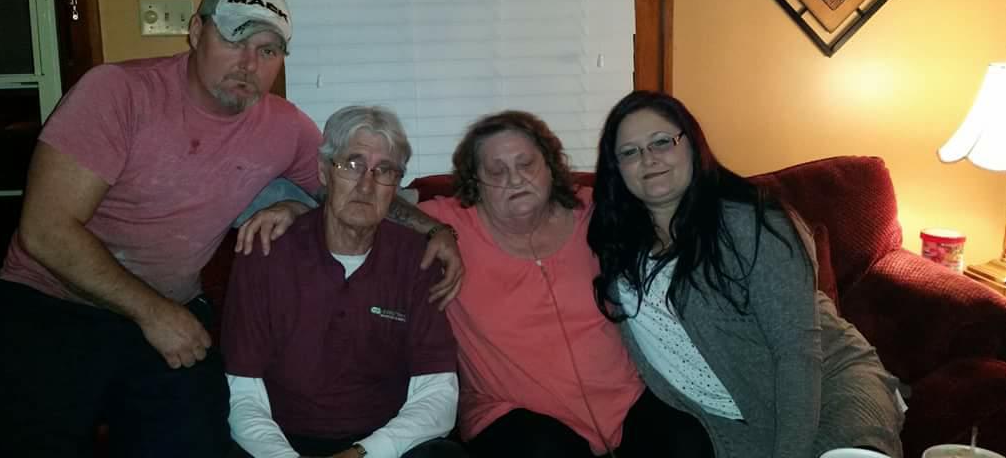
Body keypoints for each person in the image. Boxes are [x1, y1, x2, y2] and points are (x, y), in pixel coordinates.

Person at [0, 0, 462, 458]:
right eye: (234, 40)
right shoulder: (117, 92)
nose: (248, 64)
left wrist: (435, 229)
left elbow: (352, 188)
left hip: (171, 314)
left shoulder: (284, 126)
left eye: (268, 51)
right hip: (53, 305)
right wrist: (152, 313)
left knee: (199, 441)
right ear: (197, 31)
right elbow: (45, 231)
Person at [588, 91, 906, 458]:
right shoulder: (617, 244)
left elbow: (797, 353)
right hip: (732, 417)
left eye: (662, 142)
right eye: (630, 152)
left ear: (692, 144)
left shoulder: (750, 224)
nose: (648, 158)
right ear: (616, 169)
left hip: (825, 384)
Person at [418, 111, 713, 458]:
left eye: (527, 164)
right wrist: (435, 230)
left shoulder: (594, 210)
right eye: (496, 172)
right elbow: (378, 200)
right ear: (475, 183)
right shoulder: (453, 222)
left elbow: (678, 198)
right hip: (512, 414)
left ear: (550, 165)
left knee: (686, 439)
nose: (515, 179)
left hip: (625, 399)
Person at [223, 106, 466, 458]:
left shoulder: (418, 259)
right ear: (324, 172)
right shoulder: (264, 251)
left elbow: (438, 393)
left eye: (384, 170)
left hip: (382, 442)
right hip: (281, 440)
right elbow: (242, 391)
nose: (366, 185)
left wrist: (364, 453)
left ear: (395, 186)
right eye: (352, 165)